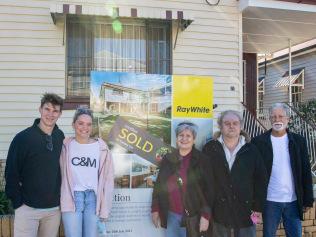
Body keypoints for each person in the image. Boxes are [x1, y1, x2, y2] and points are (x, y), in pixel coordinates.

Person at [5, 93, 64, 237]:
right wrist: (18, 204)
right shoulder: (22, 138)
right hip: (27, 209)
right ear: (40, 109)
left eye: (55, 110)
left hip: (53, 210)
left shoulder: (60, 136)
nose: (50, 114)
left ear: (60, 114)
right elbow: (11, 173)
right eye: (47, 109)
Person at [252, 103, 314, 237]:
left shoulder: (298, 141)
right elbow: (254, 174)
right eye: (273, 117)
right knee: (268, 234)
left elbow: (305, 171)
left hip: (293, 200)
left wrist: (308, 198)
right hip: (270, 201)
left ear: (288, 119)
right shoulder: (259, 142)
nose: (277, 119)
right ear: (269, 119)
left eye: (281, 116)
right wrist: (255, 201)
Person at [202, 110, 267, 237]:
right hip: (218, 211)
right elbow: (203, 182)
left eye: (235, 123)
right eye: (227, 123)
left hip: (245, 210)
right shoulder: (210, 148)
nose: (231, 126)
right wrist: (205, 210)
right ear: (220, 126)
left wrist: (258, 208)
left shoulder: (251, 150)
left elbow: (261, 181)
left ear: (240, 126)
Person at [60, 106, 114, 237]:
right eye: (81, 123)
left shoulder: (101, 147)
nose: (85, 127)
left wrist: (105, 208)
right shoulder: (65, 146)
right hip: (72, 198)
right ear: (73, 124)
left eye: (89, 124)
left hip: (93, 200)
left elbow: (108, 180)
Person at [151, 121, 211, 237]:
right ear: (177, 138)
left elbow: (209, 191)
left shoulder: (203, 161)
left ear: (194, 139)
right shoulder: (168, 159)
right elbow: (159, 186)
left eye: (188, 136)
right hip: (171, 215)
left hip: (194, 217)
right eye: (181, 135)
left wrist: (205, 216)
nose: (184, 139)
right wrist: (155, 209)